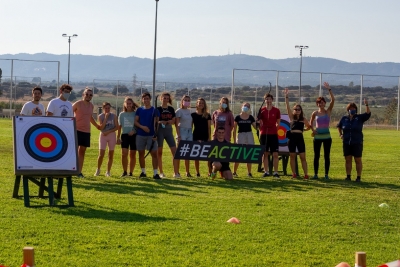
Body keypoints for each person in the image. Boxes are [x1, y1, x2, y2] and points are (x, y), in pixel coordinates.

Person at [337, 99, 371, 182]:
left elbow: (368, 114)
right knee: (348, 159)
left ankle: (358, 177)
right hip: (347, 142)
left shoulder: (359, 117)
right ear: (348, 110)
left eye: (353, 109)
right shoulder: (344, 118)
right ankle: (348, 176)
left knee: (358, 160)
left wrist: (366, 105)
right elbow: (339, 126)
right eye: (350, 109)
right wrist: (340, 134)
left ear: (356, 110)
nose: (352, 110)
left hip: (357, 142)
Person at [310, 82, 335, 180]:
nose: (321, 104)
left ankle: (326, 175)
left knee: (326, 156)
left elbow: (333, 100)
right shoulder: (314, 113)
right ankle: (315, 174)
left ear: (325, 103)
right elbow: (310, 123)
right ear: (317, 104)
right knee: (316, 156)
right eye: (319, 103)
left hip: (327, 137)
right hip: (317, 137)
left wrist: (329, 89)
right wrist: (313, 130)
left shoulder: (328, 111)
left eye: (323, 102)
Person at [72, 87, 100, 178]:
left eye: (90, 95)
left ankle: (79, 172)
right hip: (76, 130)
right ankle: (71, 170)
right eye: (87, 94)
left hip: (86, 131)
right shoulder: (77, 104)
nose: (88, 96)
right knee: (74, 151)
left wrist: (96, 125)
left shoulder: (91, 106)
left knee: (82, 152)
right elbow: (69, 113)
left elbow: (90, 117)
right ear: (83, 95)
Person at [284, 88, 311, 179]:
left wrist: (305, 130)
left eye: (299, 109)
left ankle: (306, 174)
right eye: (296, 109)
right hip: (292, 138)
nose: (297, 110)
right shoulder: (291, 117)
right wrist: (286, 96)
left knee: (303, 157)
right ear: (294, 110)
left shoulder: (303, 119)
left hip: (300, 138)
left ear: (301, 110)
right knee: (292, 156)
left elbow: (309, 126)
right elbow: (287, 105)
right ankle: (294, 173)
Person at [134, 92, 160, 179]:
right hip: (140, 135)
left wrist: (156, 134)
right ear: (142, 100)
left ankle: (155, 173)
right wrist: (142, 127)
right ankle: (143, 172)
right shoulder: (139, 110)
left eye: (147, 98)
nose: (146, 100)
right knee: (141, 153)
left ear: (150, 99)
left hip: (151, 135)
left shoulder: (154, 110)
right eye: (144, 99)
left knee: (154, 154)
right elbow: (135, 122)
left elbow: (157, 124)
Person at [156, 93, 180, 178]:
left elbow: (174, 120)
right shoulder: (157, 109)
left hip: (169, 130)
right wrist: (160, 122)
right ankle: (161, 172)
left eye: (167, 98)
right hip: (160, 131)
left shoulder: (171, 109)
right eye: (164, 98)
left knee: (174, 151)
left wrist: (170, 121)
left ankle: (176, 172)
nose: (165, 100)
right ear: (161, 99)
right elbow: (155, 121)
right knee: (159, 152)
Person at [258, 93, 281, 178]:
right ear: (265, 100)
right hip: (264, 134)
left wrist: (275, 130)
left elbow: (278, 123)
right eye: (266, 99)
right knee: (265, 153)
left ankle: (275, 172)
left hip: (273, 134)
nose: (268, 101)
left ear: (272, 100)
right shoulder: (262, 110)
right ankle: (266, 171)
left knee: (275, 154)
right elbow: (259, 122)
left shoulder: (276, 110)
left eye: (270, 99)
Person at [232, 102, 257, 177]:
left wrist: (258, 122)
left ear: (249, 108)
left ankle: (249, 172)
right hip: (240, 135)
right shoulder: (237, 117)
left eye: (247, 106)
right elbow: (234, 129)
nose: (246, 107)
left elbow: (256, 127)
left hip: (249, 134)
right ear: (241, 106)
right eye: (244, 106)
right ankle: (234, 172)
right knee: (238, 154)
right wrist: (234, 141)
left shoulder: (251, 117)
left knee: (249, 153)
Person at [94, 102, 118, 177]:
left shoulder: (114, 116)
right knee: (101, 154)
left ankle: (108, 171)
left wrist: (109, 131)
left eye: (108, 108)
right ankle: (98, 169)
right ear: (103, 108)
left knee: (110, 154)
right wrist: (106, 118)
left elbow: (116, 127)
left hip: (111, 135)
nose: (107, 110)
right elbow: (101, 127)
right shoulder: (100, 116)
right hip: (103, 135)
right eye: (106, 108)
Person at [117, 97, 139, 177]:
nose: (129, 105)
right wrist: (118, 137)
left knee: (132, 154)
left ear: (132, 104)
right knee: (124, 154)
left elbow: (138, 125)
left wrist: (134, 131)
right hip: (125, 136)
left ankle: (131, 172)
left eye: (130, 103)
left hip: (134, 135)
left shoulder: (136, 113)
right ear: (125, 104)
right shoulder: (121, 114)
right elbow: (119, 127)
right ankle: (125, 171)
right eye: (127, 103)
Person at [191, 97, 212, 177]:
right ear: (197, 104)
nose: (201, 104)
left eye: (202, 103)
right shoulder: (193, 115)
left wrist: (209, 138)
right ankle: (197, 173)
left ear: (204, 105)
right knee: (196, 156)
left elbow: (209, 128)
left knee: (208, 156)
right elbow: (191, 127)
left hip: (205, 137)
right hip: (196, 136)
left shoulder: (207, 115)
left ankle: (210, 172)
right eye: (199, 103)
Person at [175, 95, 193, 177]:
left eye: (188, 100)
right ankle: (177, 171)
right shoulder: (179, 111)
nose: (187, 101)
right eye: (185, 100)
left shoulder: (189, 111)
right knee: (179, 153)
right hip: (182, 131)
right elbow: (177, 124)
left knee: (187, 153)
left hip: (189, 132)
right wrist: (179, 135)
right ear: (182, 101)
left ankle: (187, 172)